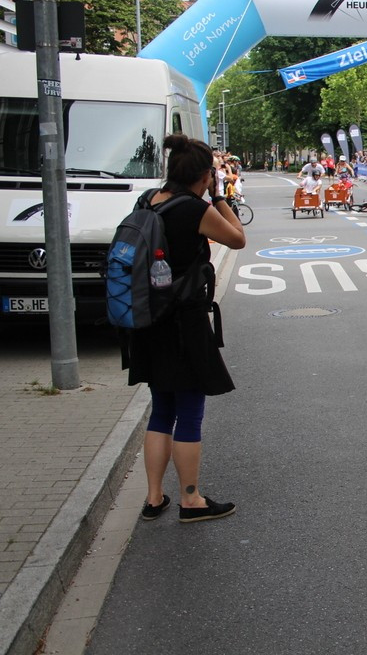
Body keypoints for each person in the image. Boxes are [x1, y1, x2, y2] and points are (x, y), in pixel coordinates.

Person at [126, 134, 246, 524]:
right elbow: (237, 238)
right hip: (185, 322)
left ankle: (154, 497)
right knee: (191, 411)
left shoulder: (148, 201)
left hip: (148, 319)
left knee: (162, 409)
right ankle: (191, 499)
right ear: (203, 175)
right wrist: (220, 197)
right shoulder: (194, 209)